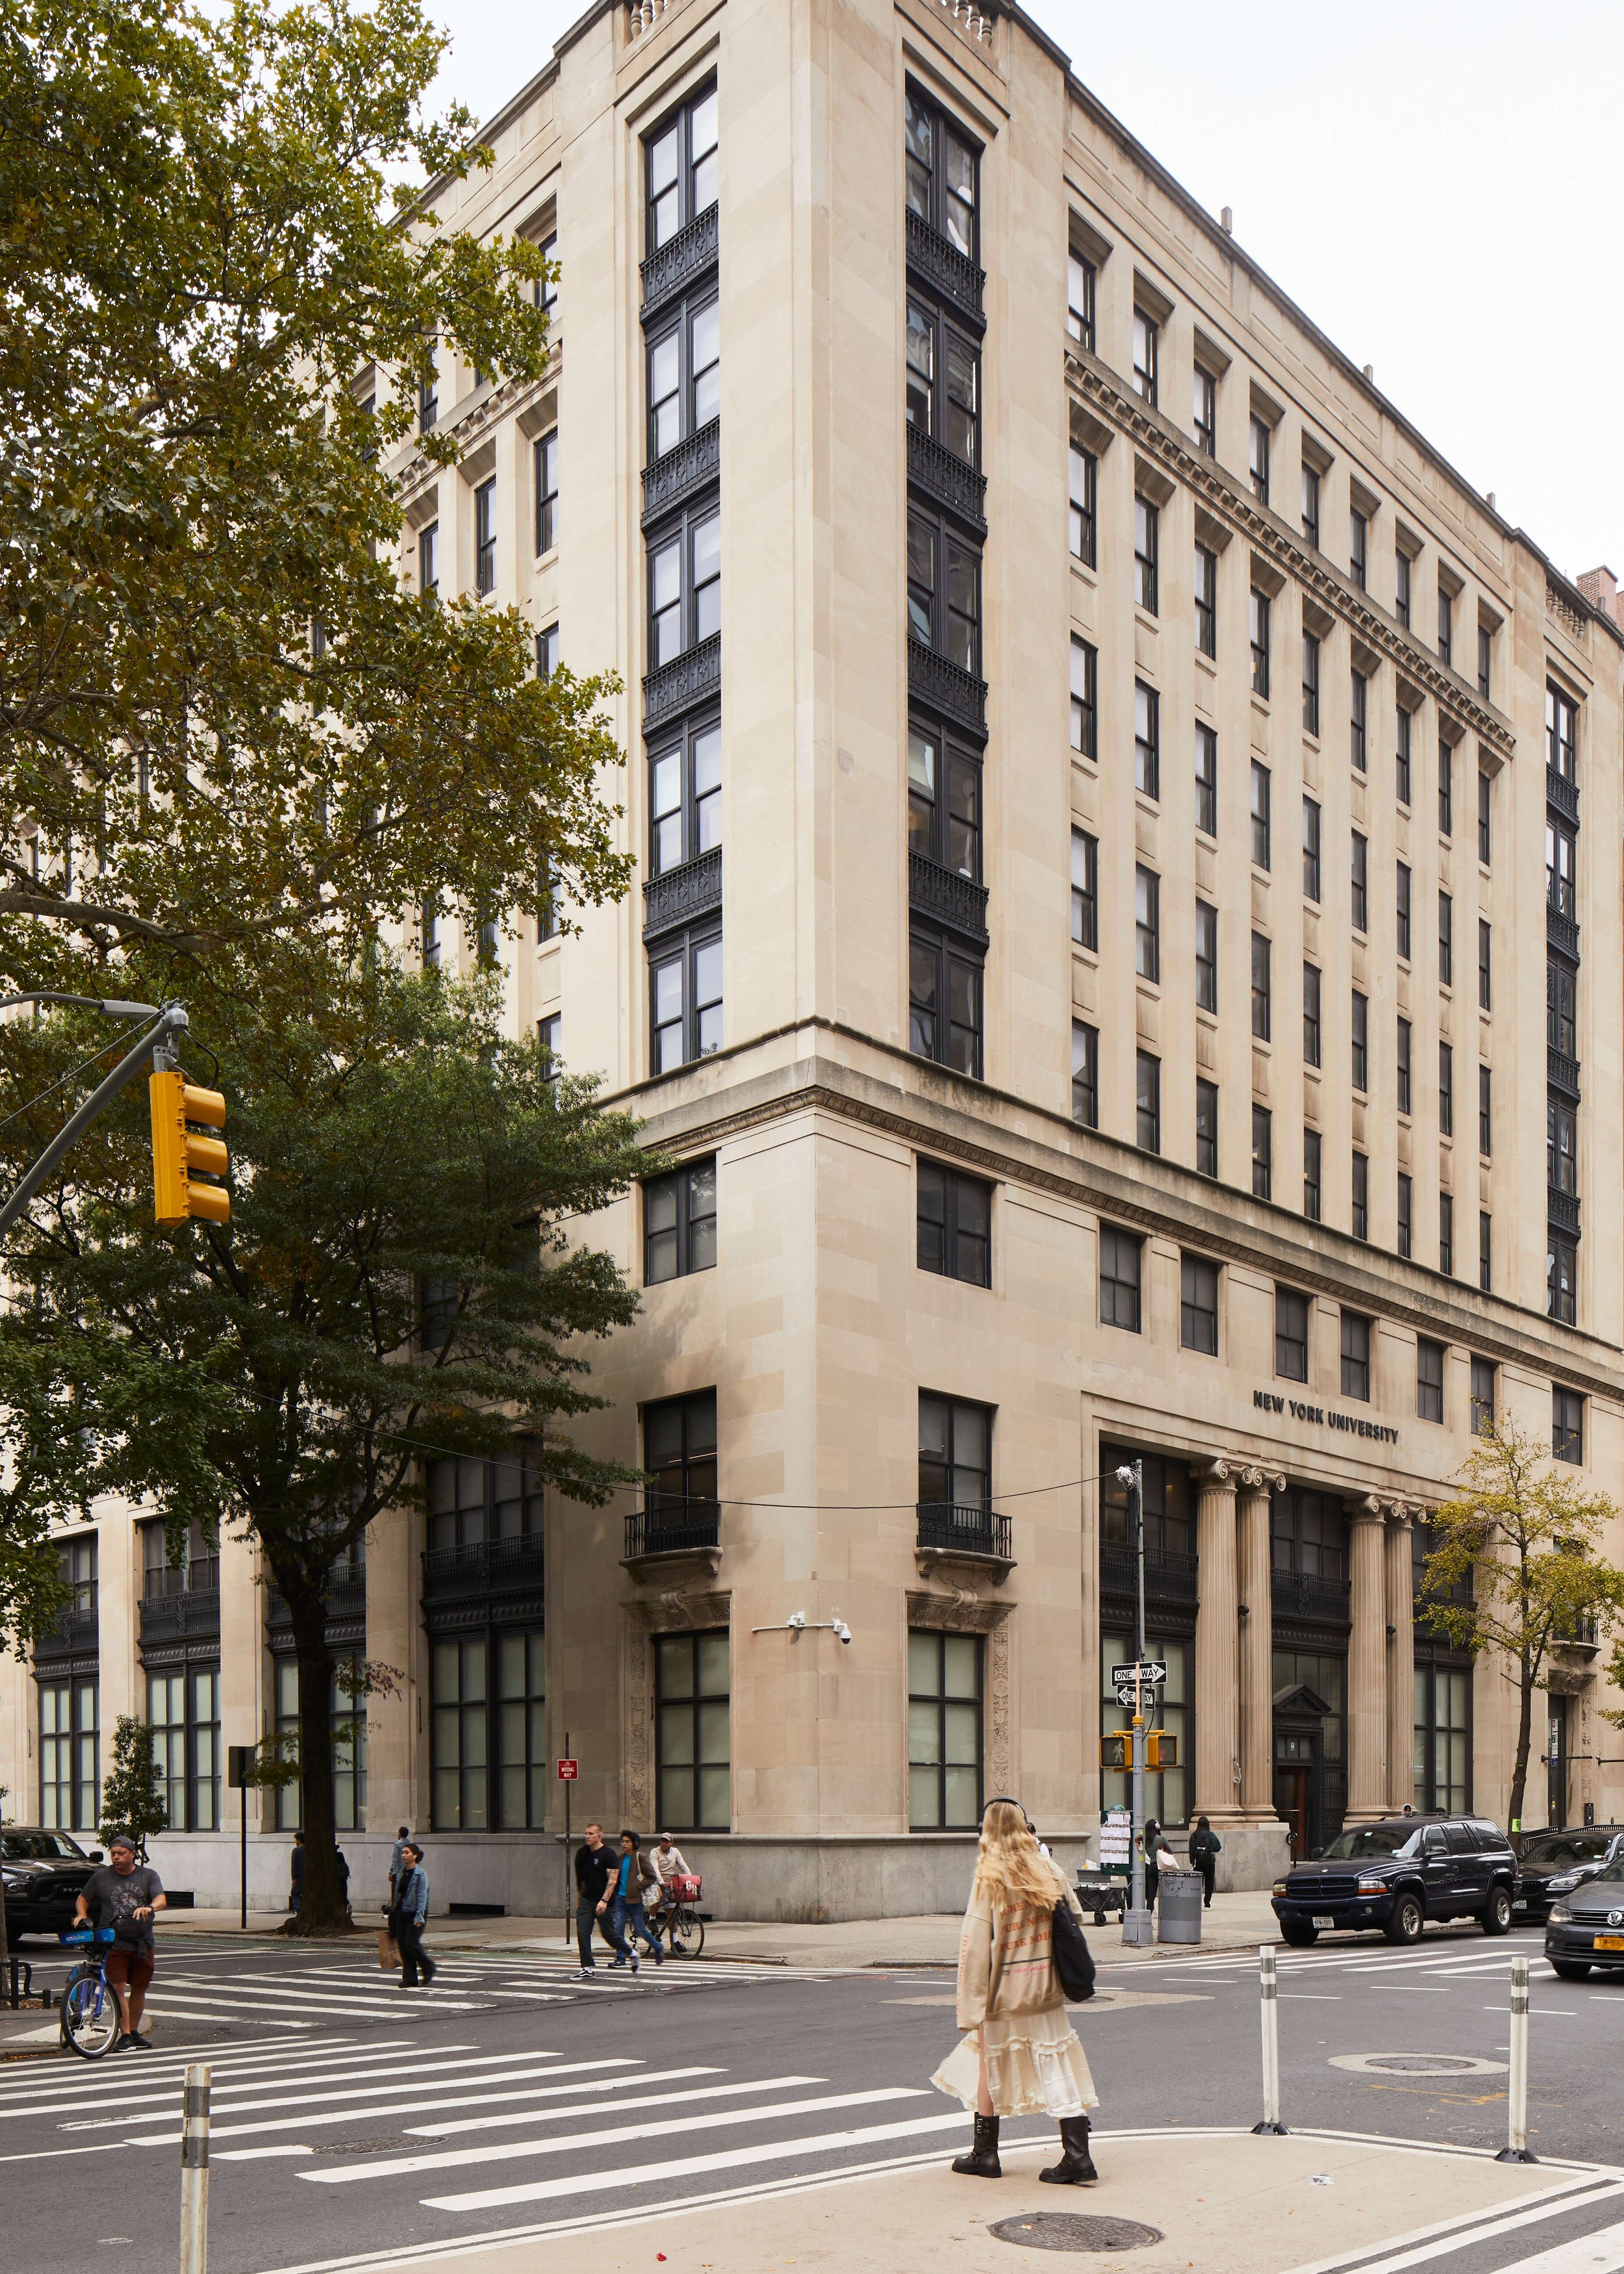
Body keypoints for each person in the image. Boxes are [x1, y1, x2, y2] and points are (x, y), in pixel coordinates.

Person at [933, 1798, 1100, 2186]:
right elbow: (1073, 1920)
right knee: (1055, 2063)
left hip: (1005, 1992)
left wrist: (970, 2008)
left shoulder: (990, 1877)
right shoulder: (1048, 1868)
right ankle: (1077, 2154)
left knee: (988, 2063)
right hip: (1045, 1987)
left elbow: (975, 1946)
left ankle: (985, 2154)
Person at [73, 1830, 167, 2051]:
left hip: (142, 1942)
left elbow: (161, 1898)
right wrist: (82, 1915)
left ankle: (134, 2033)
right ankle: (124, 2034)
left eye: (121, 1853)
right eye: (113, 1853)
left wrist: (150, 1907)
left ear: (132, 1855)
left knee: (140, 1988)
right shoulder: (101, 1877)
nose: (116, 1857)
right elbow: (83, 1898)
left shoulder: (148, 1876)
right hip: (114, 1942)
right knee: (117, 1988)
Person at [574, 1820, 631, 1978]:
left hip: (605, 1902)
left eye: (591, 1834)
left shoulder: (608, 1854)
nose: (587, 1836)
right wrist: (580, 1898)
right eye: (586, 1833)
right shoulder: (582, 1853)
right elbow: (581, 1879)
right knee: (582, 1932)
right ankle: (587, 1967)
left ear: (600, 1836)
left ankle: (631, 1953)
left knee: (609, 1935)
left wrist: (604, 1901)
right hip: (586, 1900)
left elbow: (612, 1880)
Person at [611, 1831, 664, 1967]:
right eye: (622, 1841)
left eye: (627, 1841)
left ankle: (658, 1947)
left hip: (635, 1900)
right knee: (618, 1928)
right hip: (620, 1899)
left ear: (634, 1843)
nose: (624, 1844)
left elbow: (652, 1876)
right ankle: (620, 1958)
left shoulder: (641, 1857)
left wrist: (638, 1887)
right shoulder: (620, 1858)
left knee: (640, 1929)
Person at [389, 1842, 436, 1988]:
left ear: (415, 1855)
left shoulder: (420, 1874)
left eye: (407, 1853)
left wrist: (419, 1916)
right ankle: (410, 1979)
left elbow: (422, 1896)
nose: (404, 1855)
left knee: (411, 1943)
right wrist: (391, 1909)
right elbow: (398, 1894)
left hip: (415, 1914)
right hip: (401, 1912)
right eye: (403, 1853)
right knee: (403, 1945)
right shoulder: (401, 1873)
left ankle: (428, 1967)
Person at [647, 1832, 693, 1947]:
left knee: (671, 1915)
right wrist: (661, 1882)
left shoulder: (675, 1852)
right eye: (662, 1841)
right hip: (654, 1881)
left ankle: (675, 1942)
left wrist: (690, 1879)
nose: (664, 1843)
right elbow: (655, 1869)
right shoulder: (655, 1852)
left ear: (671, 1843)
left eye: (667, 1841)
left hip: (669, 1884)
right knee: (658, 1895)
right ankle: (652, 1919)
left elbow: (683, 1866)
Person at [1188, 1816, 1222, 1910]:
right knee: (1209, 1883)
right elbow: (1218, 1847)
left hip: (1197, 1863)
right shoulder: (1211, 1835)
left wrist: (1192, 1862)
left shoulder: (1194, 1836)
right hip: (1209, 1863)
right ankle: (1207, 1904)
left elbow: (1191, 1850)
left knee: (1197, 1885)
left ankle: (1196, 1904)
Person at [388, 1825, 411, 1906]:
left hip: (398, 1873)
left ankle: (396, 1910)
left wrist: (391, 1872)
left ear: (400, 1834)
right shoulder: (410, 1845)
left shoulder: (397, 1845)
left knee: (396, 1894)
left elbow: (395, 1860)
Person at [288, 1830, 305, 1914]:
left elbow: (294, 1865)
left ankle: (299, 1911)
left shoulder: (297, 1851)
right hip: (309, 1878)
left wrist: (294, 1878)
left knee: (294, 1894)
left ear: (299, 1840)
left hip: (299, 1878)